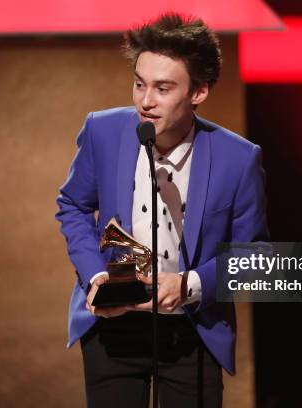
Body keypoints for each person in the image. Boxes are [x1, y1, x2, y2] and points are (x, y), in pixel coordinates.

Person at [55, 13, 268, 408]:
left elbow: (252, 256)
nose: (145, 101)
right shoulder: (102, 131)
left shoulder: (238, 158)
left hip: (192, 330)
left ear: (199, 92)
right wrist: (96, 274)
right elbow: (73, 205)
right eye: (139, 84)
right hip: (112, 327)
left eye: (163, 88)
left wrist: (190, 286)